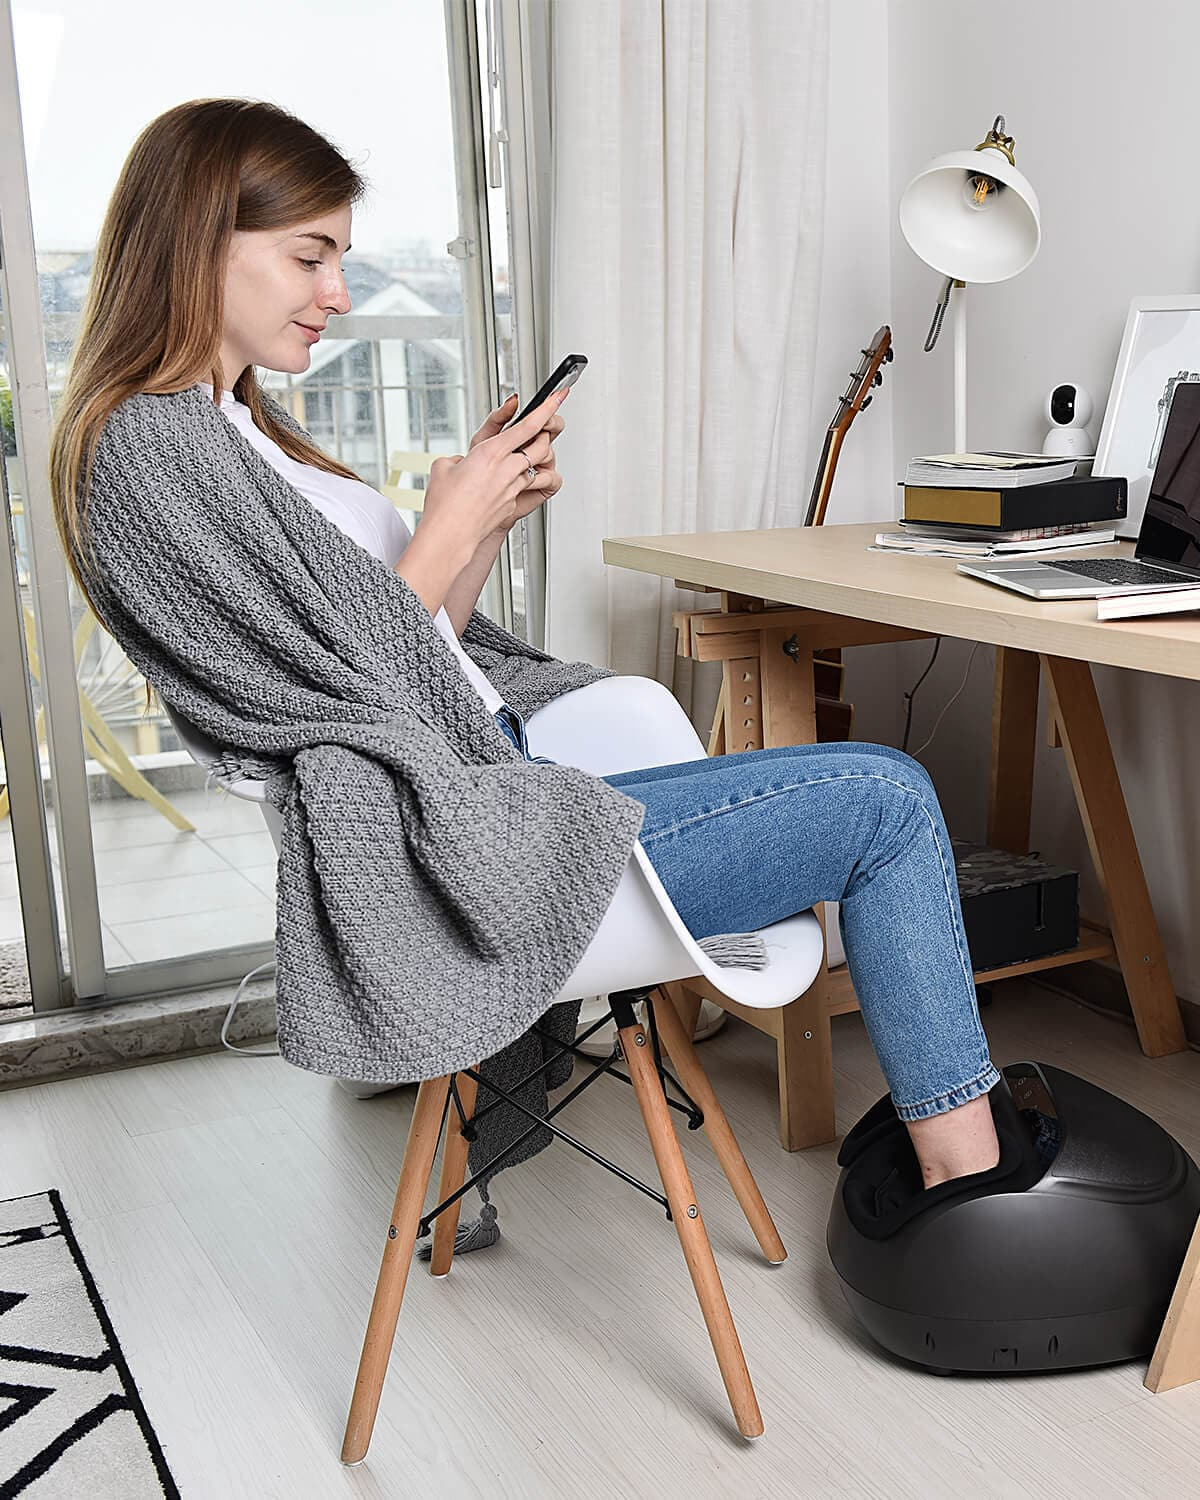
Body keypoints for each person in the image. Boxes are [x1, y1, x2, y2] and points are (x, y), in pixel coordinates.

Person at [50, 99, 1000, 1194]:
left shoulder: (245, 432)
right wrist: (446, 522)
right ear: (193, 237)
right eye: (310, 257)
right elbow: (345, 692)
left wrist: (482, 523)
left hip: (502, 792)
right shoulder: (145, 449)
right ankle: (968, 1186)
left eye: (343, 259)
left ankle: (962, 1176)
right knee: (886, 802)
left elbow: (419, 651)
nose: (338, 296)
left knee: (871, 797)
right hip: (467, 837)